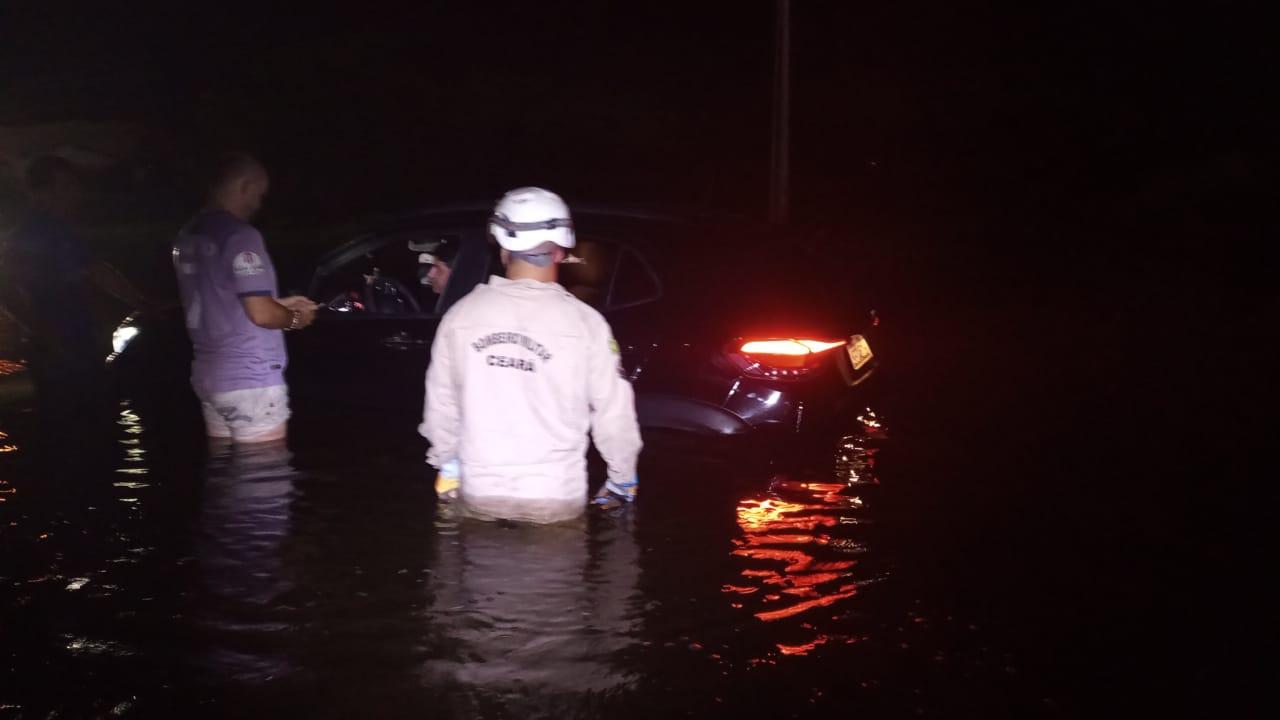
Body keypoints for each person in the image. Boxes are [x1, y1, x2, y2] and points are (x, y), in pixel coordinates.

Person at [420, 187, 642, 523]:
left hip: (481, 494)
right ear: (560, 249)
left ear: (501, 243)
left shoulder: (460, 317)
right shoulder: (587, 324)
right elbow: (614, 415)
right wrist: (622, 479)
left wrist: (447, 463)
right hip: (554, 500)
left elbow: (441, 407)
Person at [0, 155, 151, 436]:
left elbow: (95, 269)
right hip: (57, 350)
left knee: (87, 421)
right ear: (40, 193)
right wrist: (44, 334)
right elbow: (9, 288)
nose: (74, 194)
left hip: (76, 343)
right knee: (70, 423)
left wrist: (141, 303)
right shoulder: (30, 235)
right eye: (65, 186)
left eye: (74, 186)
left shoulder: (62, 233)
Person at [173, 153, 317, 444]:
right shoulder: (240, 236)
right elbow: (262, 315)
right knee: (263, 479)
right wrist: (296, 319)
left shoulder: (187, 235)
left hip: (209, 376)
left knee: (228, 478)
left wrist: (280, 303)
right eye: (259, 194)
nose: (258, 204)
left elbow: (220, 300)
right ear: (245, 185)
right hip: (249, 380)